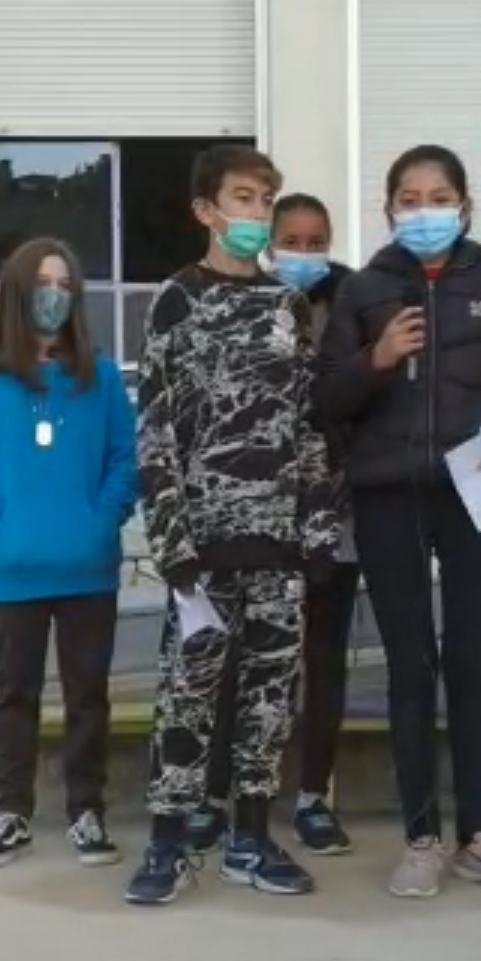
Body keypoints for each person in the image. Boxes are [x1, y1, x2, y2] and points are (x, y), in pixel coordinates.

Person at [316, 144, 481, 899]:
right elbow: (325, 400)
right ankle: (420, 838)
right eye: (409, 198)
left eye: (438, 198)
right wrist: (376, 358)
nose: (424, 211)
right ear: (388, 208)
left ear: (464, 206)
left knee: (475, 663)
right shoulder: (364, 288)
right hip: (388, 493)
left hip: (476, 489)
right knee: (410, 666)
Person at [125, 146, 344, 906]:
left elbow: (307, 425)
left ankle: (251, 838)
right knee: (186, 698)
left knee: (269, 701)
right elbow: (155, 430)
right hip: (202, 546)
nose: (256, 213)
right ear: (206, 210)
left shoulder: (288, 306)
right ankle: (166, 843)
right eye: (243, 198)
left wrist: (318, 530)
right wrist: (172, 544)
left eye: (264, 200)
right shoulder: (175, 299)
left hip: (278, 543)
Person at [0, 236, 139, 871]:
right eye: (43, 284)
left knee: (88, 696)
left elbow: (124, 460)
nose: (54, 296)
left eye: (65, 285)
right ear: (17, 293)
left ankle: (87, 810)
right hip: (15, 570)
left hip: (88, 568)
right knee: (15, 695)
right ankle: (12, 812)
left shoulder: (101, 378)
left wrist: (102, 522)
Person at [192, 193, 364, 859]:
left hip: (334, 511)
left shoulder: (355, 304)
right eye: (291, 239)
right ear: (269, 242)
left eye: (316, 241)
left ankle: (314, 797)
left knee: (322, 658)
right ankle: (217, 796)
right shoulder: (244, 300)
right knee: (239, 657)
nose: (304, 252)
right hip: (254, 511)